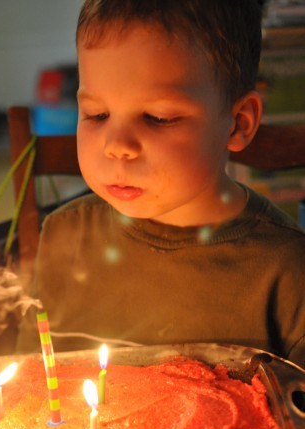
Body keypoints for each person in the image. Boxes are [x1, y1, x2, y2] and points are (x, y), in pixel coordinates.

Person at [17, 0, 305, 369]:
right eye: (96, 114)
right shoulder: (64, 235)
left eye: (157, 117)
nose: (116, 145)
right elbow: (30, 377)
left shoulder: (286, 272)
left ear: (238, 123)